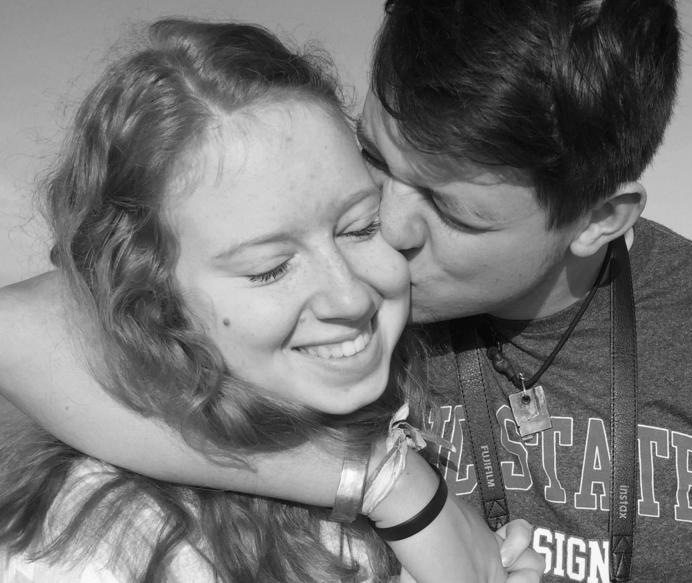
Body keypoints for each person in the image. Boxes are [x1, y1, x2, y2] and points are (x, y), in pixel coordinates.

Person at [1, 1, 692, 581]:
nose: (383, 230)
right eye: (374, 159)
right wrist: (397, 489)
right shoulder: (346, 324)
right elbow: (33, 332)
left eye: (449, 210)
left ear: (597, 217)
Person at [0, 18, 541, 583]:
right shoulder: (105, 550)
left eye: (361, 227)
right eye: (270, 268)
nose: (349, 296)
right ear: (155, 303)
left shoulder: (392, 404)